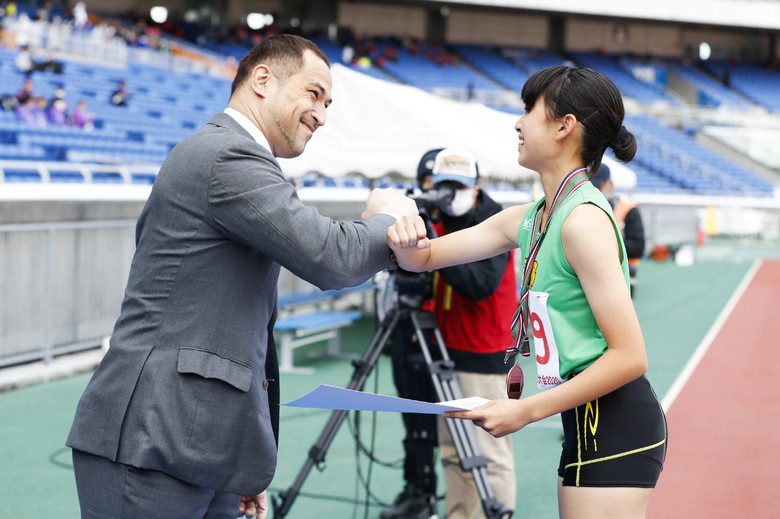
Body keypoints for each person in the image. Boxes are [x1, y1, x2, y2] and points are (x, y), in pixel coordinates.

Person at [66, 34, 419, 519]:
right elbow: (329, 255)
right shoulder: (226, 156)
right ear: (261, 80)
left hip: (193, 447)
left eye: (328, 102)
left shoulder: (231, 157)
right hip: (153, 439)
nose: (321, 113)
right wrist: (387, 216)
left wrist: (238, 466)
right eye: (313, 93)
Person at [387, 65, 667, 519]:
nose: (517, 124)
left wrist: (527, 411)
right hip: (585, 419)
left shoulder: (583, 222)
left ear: (564, 126)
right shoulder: (534, 216)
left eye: (528, 110)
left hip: (613, 422)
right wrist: (391, 213)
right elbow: (421, 257)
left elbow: (630, 355)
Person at [427, 148, 517, 519]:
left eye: (459, 186)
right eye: (444, 185)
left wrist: (432, 247)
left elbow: (480, 284)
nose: (451, 193)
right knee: (452, 452)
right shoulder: (443, 220)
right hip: (450, 350)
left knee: (491, 452)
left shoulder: (495, 221)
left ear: (477, 185)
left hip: (485, 354)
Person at [590, 164, 645, 295]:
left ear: (610, 184)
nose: (597, 190)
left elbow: (638, 247)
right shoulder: (587, 209)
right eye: (594, 187)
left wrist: (604, 245)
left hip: (622, 280)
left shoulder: (628, 209)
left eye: (600, 185)